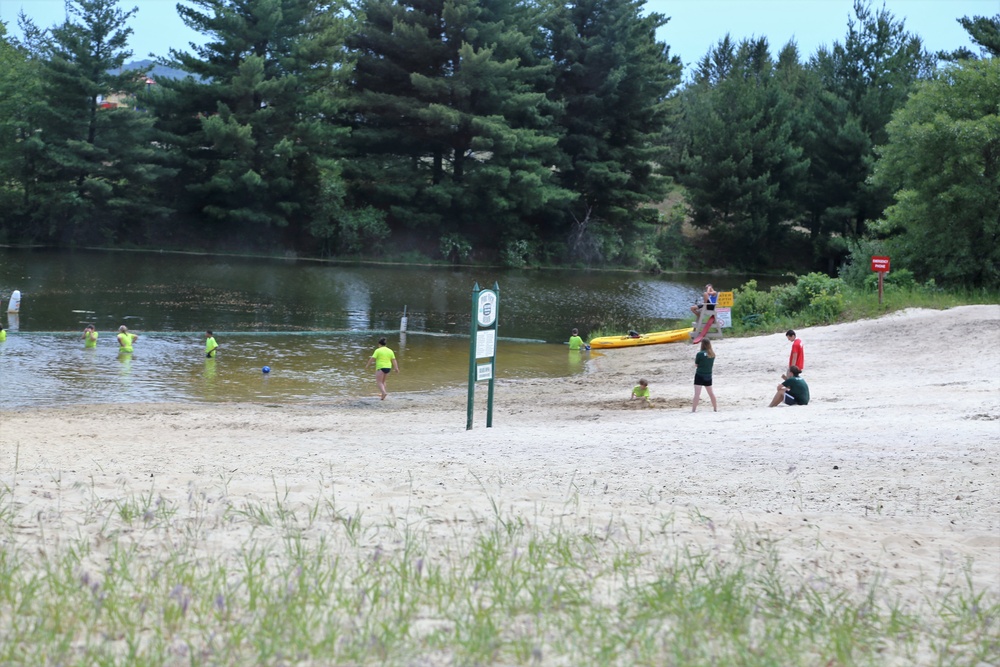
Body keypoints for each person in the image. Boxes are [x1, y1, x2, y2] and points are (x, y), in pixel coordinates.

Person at [692, 339, 718, 412]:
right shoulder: (712, 354)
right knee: (711, 393)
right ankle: (715, 408)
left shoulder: (699, 354)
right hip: (708, 375)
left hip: (700, 374)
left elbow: (696, 364)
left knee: (697, 394)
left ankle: (694, 410)